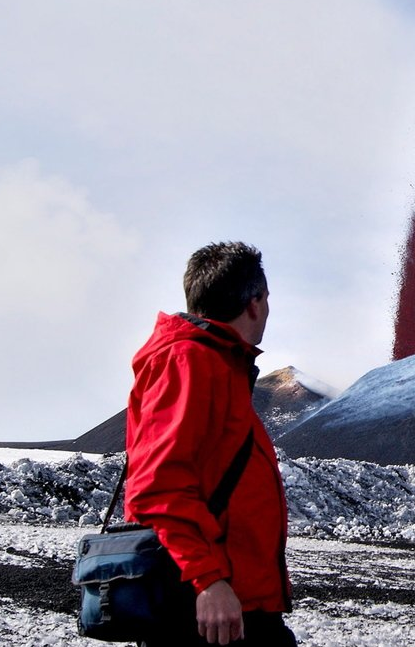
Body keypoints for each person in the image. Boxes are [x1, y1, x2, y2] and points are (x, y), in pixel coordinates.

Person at [124, 241, 296, 646]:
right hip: (205, 610)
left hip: (239, 606)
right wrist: (208, 580)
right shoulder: (189, 361)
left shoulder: (221, 365)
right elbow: (158, 486)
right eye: (267, 299)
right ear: (254, 303)